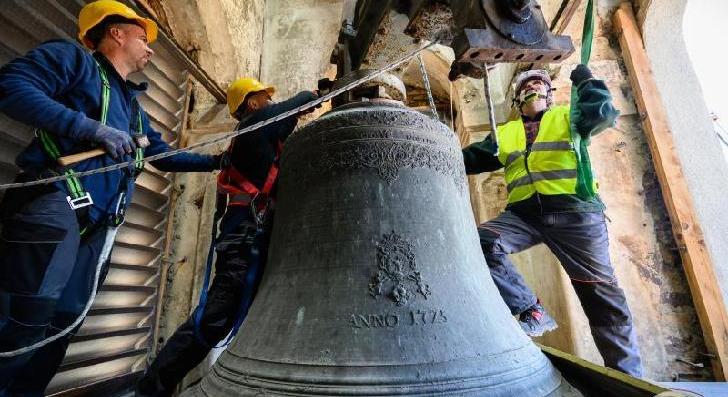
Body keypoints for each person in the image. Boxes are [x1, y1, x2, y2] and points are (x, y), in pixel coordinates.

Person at [0, 1, 228, 394]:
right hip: (55, 205)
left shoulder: (134, 110)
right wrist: (91, 129)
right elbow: (10, 87)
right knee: (25, 321)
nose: (152, 49)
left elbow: (163, 157)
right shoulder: (74, 60)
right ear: (116, 33)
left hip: (95, 229)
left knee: (61, 331)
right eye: (143, 37)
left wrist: (218, 161)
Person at [136, 78, 317, 396]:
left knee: (241, 319)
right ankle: (151, 389)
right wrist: (316, 95)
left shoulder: (257, 143)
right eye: (266, 98)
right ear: (253, 104)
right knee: (213, 321)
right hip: (244, 243)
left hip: (253, 241)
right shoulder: (257, 125)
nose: (272, 104)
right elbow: (297, 103)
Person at [461, 65, 643, 377]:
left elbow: (602, 115)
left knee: (599, 295)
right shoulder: (506, 133)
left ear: (550, 94)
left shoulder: (568, 116)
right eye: (526, 85)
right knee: (481, 241)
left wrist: (587, 82)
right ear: (517, 99)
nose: (533, 88)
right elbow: (468, 159)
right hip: (524, 216)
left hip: (576, 215)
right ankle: (531, 310)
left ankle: (627, 377)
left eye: (540, 84)